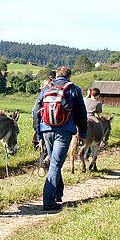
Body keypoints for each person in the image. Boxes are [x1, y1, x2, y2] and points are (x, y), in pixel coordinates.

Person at [32, 66, 87, 211]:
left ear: (56, 76)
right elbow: (81, 113)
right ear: (69, 77)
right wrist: (83, 134)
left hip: (46, 130)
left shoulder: (46, 88)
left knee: (55, 162)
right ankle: (49, 201)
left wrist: (38, 133)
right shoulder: (73, 89)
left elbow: (35, 111)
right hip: (64, 131)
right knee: (56, 163)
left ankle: (57, 193)